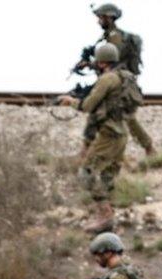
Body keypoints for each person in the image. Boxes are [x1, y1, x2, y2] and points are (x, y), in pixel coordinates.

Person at [58, 42, 143, 234]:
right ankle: (108, 218)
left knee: (86, 172)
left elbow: (88, 106)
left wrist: (70, 101)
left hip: (109, 133)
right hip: (122, 133)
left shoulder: (107, 80)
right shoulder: (124, 77)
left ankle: (105, 215)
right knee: (108, 175)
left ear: (102, 62)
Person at [82, 3, 156, 157]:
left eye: (101, 18)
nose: (98, 21)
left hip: (118, 82)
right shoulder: (111, 35)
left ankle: (85, 150)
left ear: (109, 18)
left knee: (102, 112)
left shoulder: (114, 36)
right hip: (121, 80)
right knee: (126, 117)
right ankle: (148, 148)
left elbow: (113, 59)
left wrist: (92, 64)